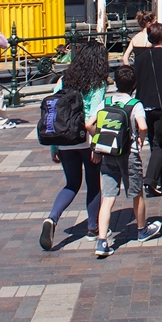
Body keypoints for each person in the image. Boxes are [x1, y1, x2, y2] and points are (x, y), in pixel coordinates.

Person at [39, 41, 109, 250]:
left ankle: (52, 218)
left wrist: (54, 147)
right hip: (86, 139)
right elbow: (95, 115)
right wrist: (98, 145)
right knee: (93, 183)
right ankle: (92, 228)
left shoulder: (63, 79)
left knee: (71, 184)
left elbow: (54, 112)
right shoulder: (97, 83)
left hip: (65, 139)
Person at [89, 65, 162, 257]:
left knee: (108, 197)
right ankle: (142, 229)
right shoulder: (135, 104)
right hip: (129, 154)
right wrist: (140, 140)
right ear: (134, 84)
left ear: (115, 83)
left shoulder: (105, 102)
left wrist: (98, 141)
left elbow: (89, 124)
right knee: (137, 193)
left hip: (108, 153)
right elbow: (143, 126)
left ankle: (102, 241)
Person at [132, 21, 162, 197]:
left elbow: (135, 80)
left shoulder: (140, 57)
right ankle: (151, 180)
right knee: (160, 143)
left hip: (143, 105)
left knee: (154, 141)